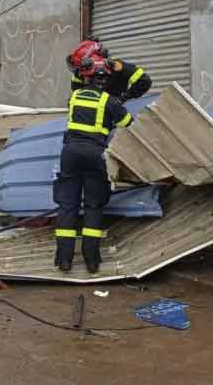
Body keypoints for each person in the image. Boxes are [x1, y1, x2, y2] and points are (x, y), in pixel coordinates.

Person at [54, 55, 134, 274]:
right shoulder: (109, 101)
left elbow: (76, 86)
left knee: (67, 205)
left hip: (70, 153)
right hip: (95, 155)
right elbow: (128, 123)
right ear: (105, 80)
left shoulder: (74, 97)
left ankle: (64, 260)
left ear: (85, 77)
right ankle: (92, 261)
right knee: (93, 205)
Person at [66, 38, 152, 102]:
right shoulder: (79, 72)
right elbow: (76, 93)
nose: (82, 74)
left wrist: (123, 98)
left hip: (116, 111)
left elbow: (144, 81)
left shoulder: (117, 67)